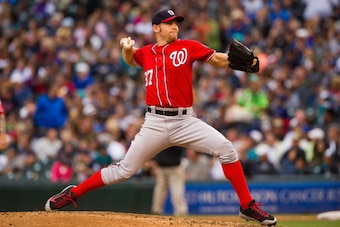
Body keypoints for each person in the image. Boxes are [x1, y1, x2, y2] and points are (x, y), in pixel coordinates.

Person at [44, 9, 277, 226]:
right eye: (169, 23)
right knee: (124, 170)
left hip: (185, 121)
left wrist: (243, 63)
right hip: (154, 123)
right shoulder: (146, 52)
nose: (175, 26)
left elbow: (217, 59)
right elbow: (130, 59)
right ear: (156, 28)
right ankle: (73, 193)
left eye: (176, 23)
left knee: (227, 149)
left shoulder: (187, 47)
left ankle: (247, 205)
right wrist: (126, 48)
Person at [151, 146, 187, 216]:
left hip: (174, 167)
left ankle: (181, 212)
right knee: (160, 191)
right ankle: (156, 211)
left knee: (176, 191)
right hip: (163, 167)